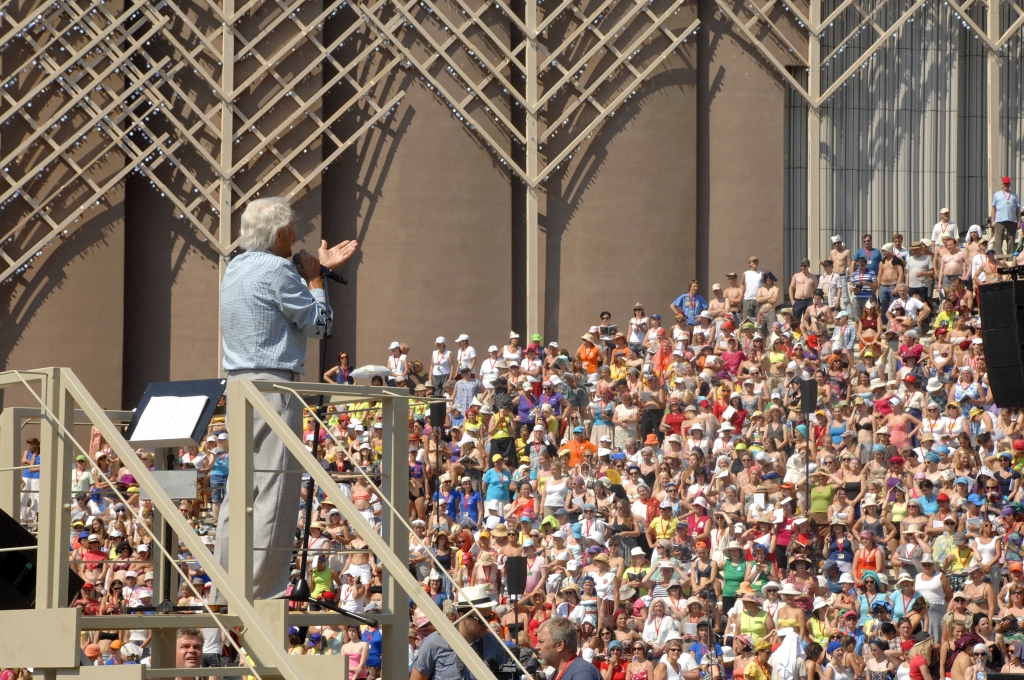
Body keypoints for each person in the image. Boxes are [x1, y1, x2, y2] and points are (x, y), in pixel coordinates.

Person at [215, 196, 358, 603]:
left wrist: (314, 272)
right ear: (280, 234)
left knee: (239, 492)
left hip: (237, 384)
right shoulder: (280, 271)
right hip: (275, 385)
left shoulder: (235, 267)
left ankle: (224, 590)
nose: (295, 240)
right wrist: (316, 281)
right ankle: (262, 591)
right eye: (292, 234)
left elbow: (275, 294)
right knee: (275, 487)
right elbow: (320, 325)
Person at [410, 584, 497, 680]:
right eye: (481, 619)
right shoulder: (433, 643)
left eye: (490, 617)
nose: (486, 623)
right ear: (463, 616)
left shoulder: (494, 643)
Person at [537, 616, 602, 680]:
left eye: (541, 642)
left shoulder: (583, 673)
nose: (537, 647)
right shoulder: (554, 673)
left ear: (559, 645)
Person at [991, 176, 1021, 256]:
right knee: (999, 237)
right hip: (1000, 219)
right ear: (1002, 184)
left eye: (1007, 183)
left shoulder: (1014, 195)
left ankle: (1010, 255)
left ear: (1010, 184)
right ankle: (999, 255)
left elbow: (1018, 209)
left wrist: (1019, 221)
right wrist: (993, 221)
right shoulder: (997, 194)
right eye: (1005, 183)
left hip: (1012, 219)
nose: (1006, 185)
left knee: (1011, 237)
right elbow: (993, 208)